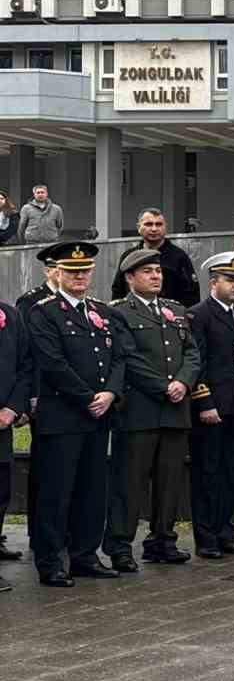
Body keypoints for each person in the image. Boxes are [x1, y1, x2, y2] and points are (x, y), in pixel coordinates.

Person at [25, 242, 125, 587]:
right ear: (58, 273)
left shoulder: (102, 311)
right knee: (56, 492)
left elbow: (119, 357)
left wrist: (110, 393)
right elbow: (52, 363)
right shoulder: (44, 312)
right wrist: (87, 398)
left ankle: (85, 556)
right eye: (72, 271)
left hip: (98, 416)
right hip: (62, 417)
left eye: (84, 271)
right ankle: (50, 561)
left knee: (92, 491)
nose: (79, 276)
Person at [106, 249, 201, 570]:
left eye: (158, 271)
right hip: (139, 410)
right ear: (129, 277)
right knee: (129, 483)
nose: (156, 276)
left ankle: (162, 541)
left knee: (169, 481)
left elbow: (192, 353)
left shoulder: (175, 310)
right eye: (147, 271)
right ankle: (119, 545)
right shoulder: (119, 312)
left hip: (175, 411)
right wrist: (164, 387)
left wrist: (184, 382)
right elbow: (127, 357)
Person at [187, 252, 234, 560]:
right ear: (213, 282)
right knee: (208, 473)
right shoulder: (199, 315)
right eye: (230, 280)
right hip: (213, 407)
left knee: (231, 471)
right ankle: (206, 538)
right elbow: (198, 362)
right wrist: (204, 401)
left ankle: (224, 533)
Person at [0, 287, 34, 580]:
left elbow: (26, 367)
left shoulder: (10, 315)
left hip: (2, 423)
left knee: (1, 492)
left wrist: (12, 408)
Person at [111, 209, 200, 307]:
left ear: (165, 227)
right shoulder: (129, 256)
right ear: (139, 227)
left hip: (169, 314)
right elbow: (118, 291)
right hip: (132, 313)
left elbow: (192, 295)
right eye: (148, 224)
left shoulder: (179, 257)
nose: (154, 229)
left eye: (159, 224)